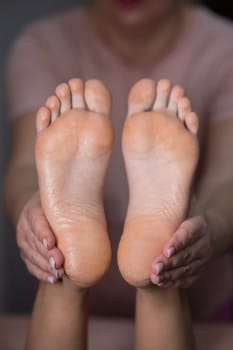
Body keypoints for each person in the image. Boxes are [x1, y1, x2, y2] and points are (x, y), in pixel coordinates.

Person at [3, 0, 233, 348]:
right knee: (149, 270)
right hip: (171, 305)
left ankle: (124, 265)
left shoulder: (224, 48)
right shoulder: (44, 45)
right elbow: (23, 167)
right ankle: (149, 268)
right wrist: (31, 212)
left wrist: (207, 229)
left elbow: (227, 182)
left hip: (206, 306)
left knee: (66, 274)